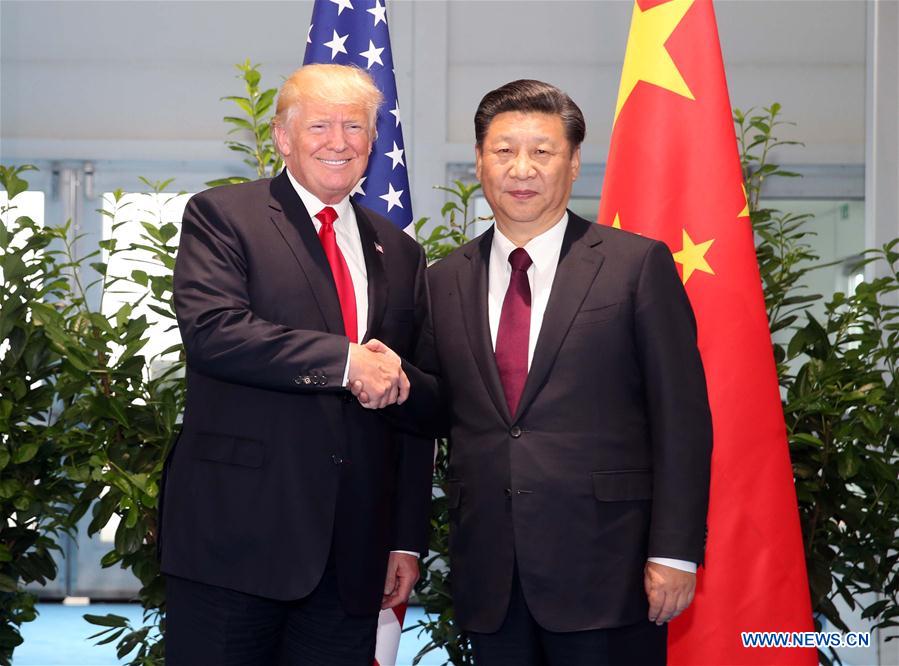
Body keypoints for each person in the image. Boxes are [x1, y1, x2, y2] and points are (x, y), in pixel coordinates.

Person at [418, 80, 713, 665]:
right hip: (490, 575)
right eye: (504, 151)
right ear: (479, 160)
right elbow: (431, 414)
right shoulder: (441, 280)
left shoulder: (635, 265)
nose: (521, 169)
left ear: (574, 162)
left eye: (542, 151)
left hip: (612, 570)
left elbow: (681, 420)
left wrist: (675, 552)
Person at [159, 63, 435, 665]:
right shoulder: (223, 216)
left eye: (355, 127)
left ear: (373, 142)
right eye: (319, 125)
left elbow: (411, 407)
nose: (339, 142)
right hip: (234, 543)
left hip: (353, 555)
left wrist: (405, 539)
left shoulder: (401, 252)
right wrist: (345, 362)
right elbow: (214, 333)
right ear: (283, 137)